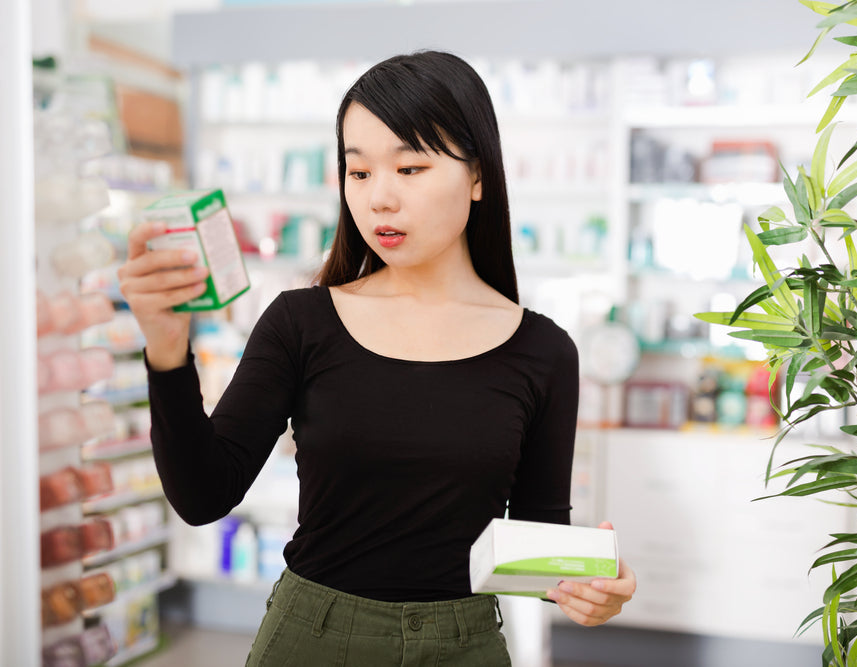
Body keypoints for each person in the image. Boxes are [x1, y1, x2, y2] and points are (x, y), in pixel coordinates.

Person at [118, 50, 636, 666]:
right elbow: (203, 496)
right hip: (310, 641)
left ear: (478, 177)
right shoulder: (301, 322)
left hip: (464, 647)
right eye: (358, 172)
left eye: (411, 167)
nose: (379, 199)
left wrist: (588, 586)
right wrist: (167, 349)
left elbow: (536, 540)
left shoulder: (544, 351)